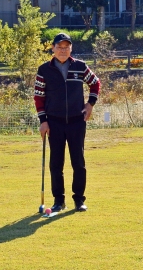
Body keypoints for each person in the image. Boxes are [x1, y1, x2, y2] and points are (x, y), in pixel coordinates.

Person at [34, 32, 100, 213]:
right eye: (59, 47)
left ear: (71, 48)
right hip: (53, 122)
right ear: (53, 48)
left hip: (77, 121)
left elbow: (95, 83)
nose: (63, 50)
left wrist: (90, 104)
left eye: (66, 47)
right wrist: (43, 121)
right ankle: (58, 201)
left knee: (78, 161)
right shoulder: (44, 70)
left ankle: (79, 200)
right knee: (56, 163)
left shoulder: (80, 66)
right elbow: (39, 97)